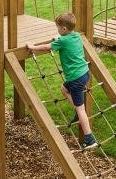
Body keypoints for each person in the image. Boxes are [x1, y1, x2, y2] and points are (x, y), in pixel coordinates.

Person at [27, 12, 98, 151]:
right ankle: (78, 113)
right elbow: (62, 38)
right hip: (84, 73)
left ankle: (89, 138)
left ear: (64, 29)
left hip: (75, 78)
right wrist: (58, 36)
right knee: (64, 89)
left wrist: (32, 47)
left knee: (81, 109)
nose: (57, 30)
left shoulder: (62, 41)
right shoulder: (76, 35)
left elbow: (47, 47)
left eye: (58, 28)